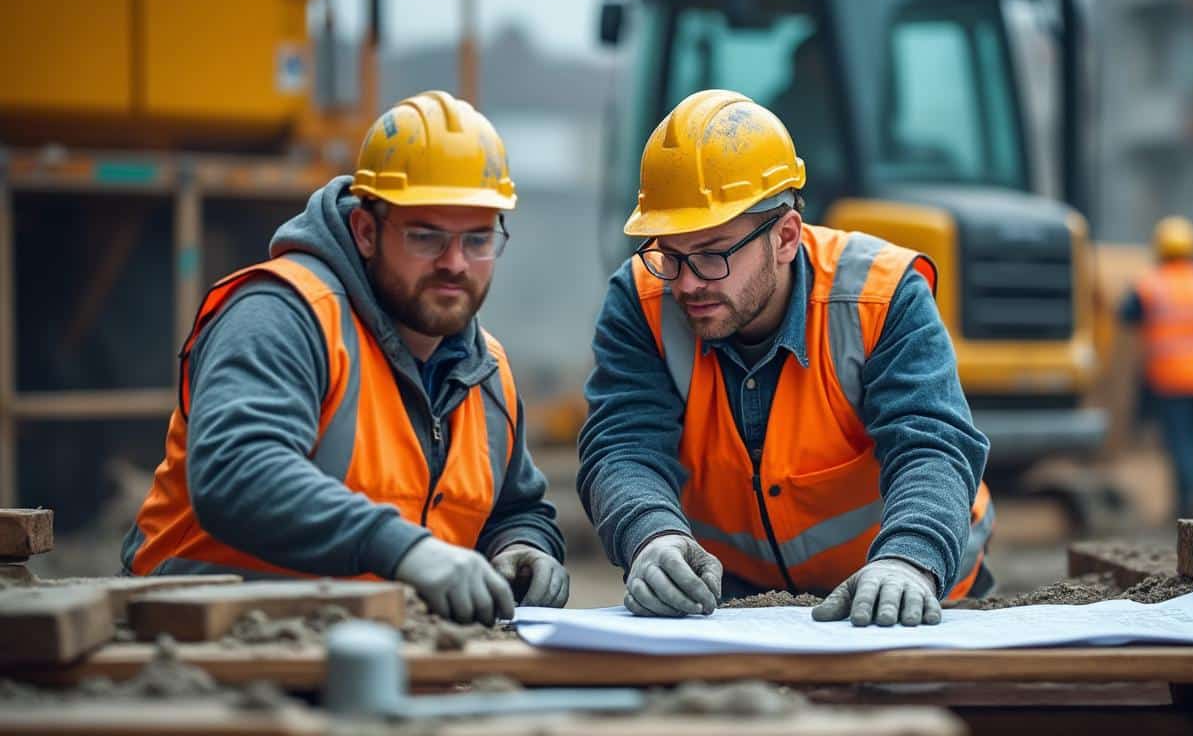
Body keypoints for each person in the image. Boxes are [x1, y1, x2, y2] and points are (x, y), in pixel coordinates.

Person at [121, 91, 567, 625]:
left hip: (379, 652)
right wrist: (404, 549)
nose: (455, 263)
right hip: (198, 647)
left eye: (477, 240)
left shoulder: (486, 371)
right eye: (426, 237)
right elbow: (236, 471)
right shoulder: (283, 315)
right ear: (366, 231)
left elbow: (514, 509)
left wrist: (522, 545)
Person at [578, 89, 993, 628]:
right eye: (670, 255)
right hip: (739, 607)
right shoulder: (641, 300)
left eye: (711, 254)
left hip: (908, 595)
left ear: (786, 237)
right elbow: (623, 444)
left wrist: (909, 560)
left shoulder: (881, 295)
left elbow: (931, 444)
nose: (687, 283)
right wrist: (651, 535)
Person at [1121, 215, 1193, 519]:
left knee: (1180, 443)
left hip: (1170, 379)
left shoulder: (1151, 284)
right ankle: (1190, 500)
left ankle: (1192, 499)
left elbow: (1126, 314)